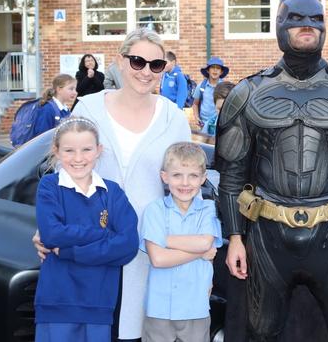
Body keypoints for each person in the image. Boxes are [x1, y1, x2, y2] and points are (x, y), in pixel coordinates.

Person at [216, 0, 328, 342]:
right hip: (268, 233)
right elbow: (232, 174)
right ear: (280, 26)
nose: (306, 26)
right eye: (296, 19)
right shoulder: (248, 92)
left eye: (315, 19)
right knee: (261, 333)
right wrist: (235, 237)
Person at [34, 28, 192, 341]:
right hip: (88, 254)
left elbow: (187, 187)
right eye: (137, 61)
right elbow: (64, 170)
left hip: (149, 254)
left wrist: (195, 248)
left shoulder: (173, 117)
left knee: (133, 333)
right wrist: (46, 226)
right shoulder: (89, 108)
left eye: (156, 65)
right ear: (120, 61)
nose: (146, 71)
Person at [34, 117, 139, 342]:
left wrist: (72, 251)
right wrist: (104, 235)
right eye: (69, 150)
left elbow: (128, 246)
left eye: (87, 149)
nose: (79, 158)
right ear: (57, 151)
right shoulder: (50, 186)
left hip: (99, 304)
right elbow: (52, 234)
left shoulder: (112, 192)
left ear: (99, 150)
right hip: (57, 301)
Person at [139, 142, 222, 342]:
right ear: (165, 177)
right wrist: (200, 254)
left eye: (193, 176)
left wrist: (165, 240)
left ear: (203, 179)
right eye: (177, 175)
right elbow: (158, 258)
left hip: (196, 306)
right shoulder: (154, 210)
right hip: (160, 307)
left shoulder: (208, 208)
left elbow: (204, 243)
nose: (185, 183)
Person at [193, 57, 229, 130]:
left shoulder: (225, 87)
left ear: (221, 72)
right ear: (208, 70)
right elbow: (195, 104)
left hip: (219, 124)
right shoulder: (201, 87)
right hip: (203, 124)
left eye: (218, 68)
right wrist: (196, 118)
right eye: (212, 67)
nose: (215, 70)